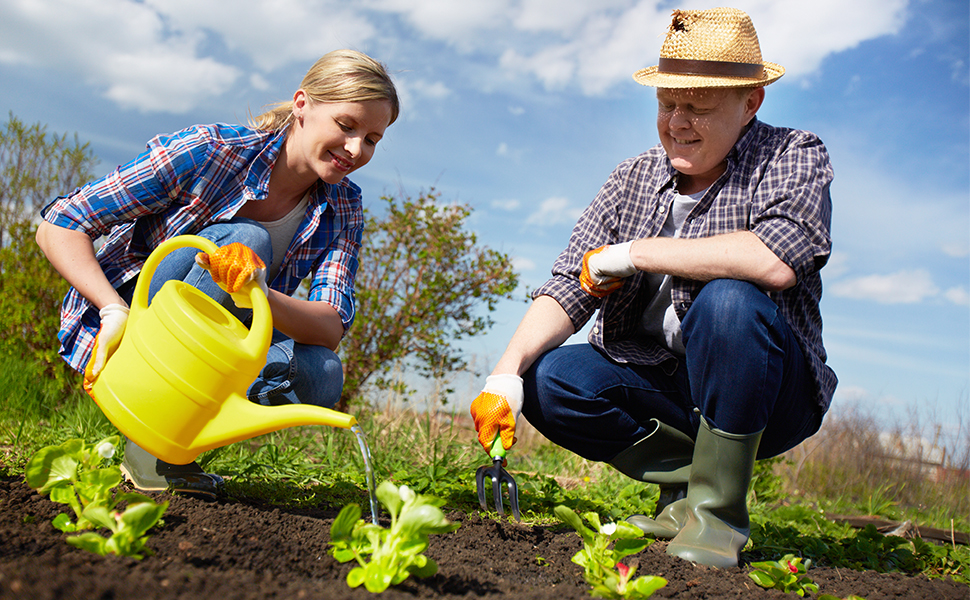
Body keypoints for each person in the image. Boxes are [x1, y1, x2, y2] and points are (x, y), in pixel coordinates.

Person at [470, 7, 835, 569]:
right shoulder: (632, 178)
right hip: (664, 385)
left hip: (769, 390)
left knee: (729, 302)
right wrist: (505, 372)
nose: (678, 122)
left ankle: (716, 519)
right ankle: (685, 496)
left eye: (700, 107)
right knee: (550, 379)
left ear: (751, 102)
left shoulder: (792, 154)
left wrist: (636, 253)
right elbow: (573, 281)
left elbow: (774, 260)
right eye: (667, 104)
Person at [36, 49, 399, 500]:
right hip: (133, 323)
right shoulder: (211, 151)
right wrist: (113, 309)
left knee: (322, 372)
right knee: (247, 239)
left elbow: (329, 325)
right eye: (347, 126)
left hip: (217, 344)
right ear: (303, 104)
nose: (355, 150)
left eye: (372, 139)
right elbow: (60, 224)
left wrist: (256, 291)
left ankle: (172, 440)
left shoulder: (344, 205)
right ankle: (154, 442)